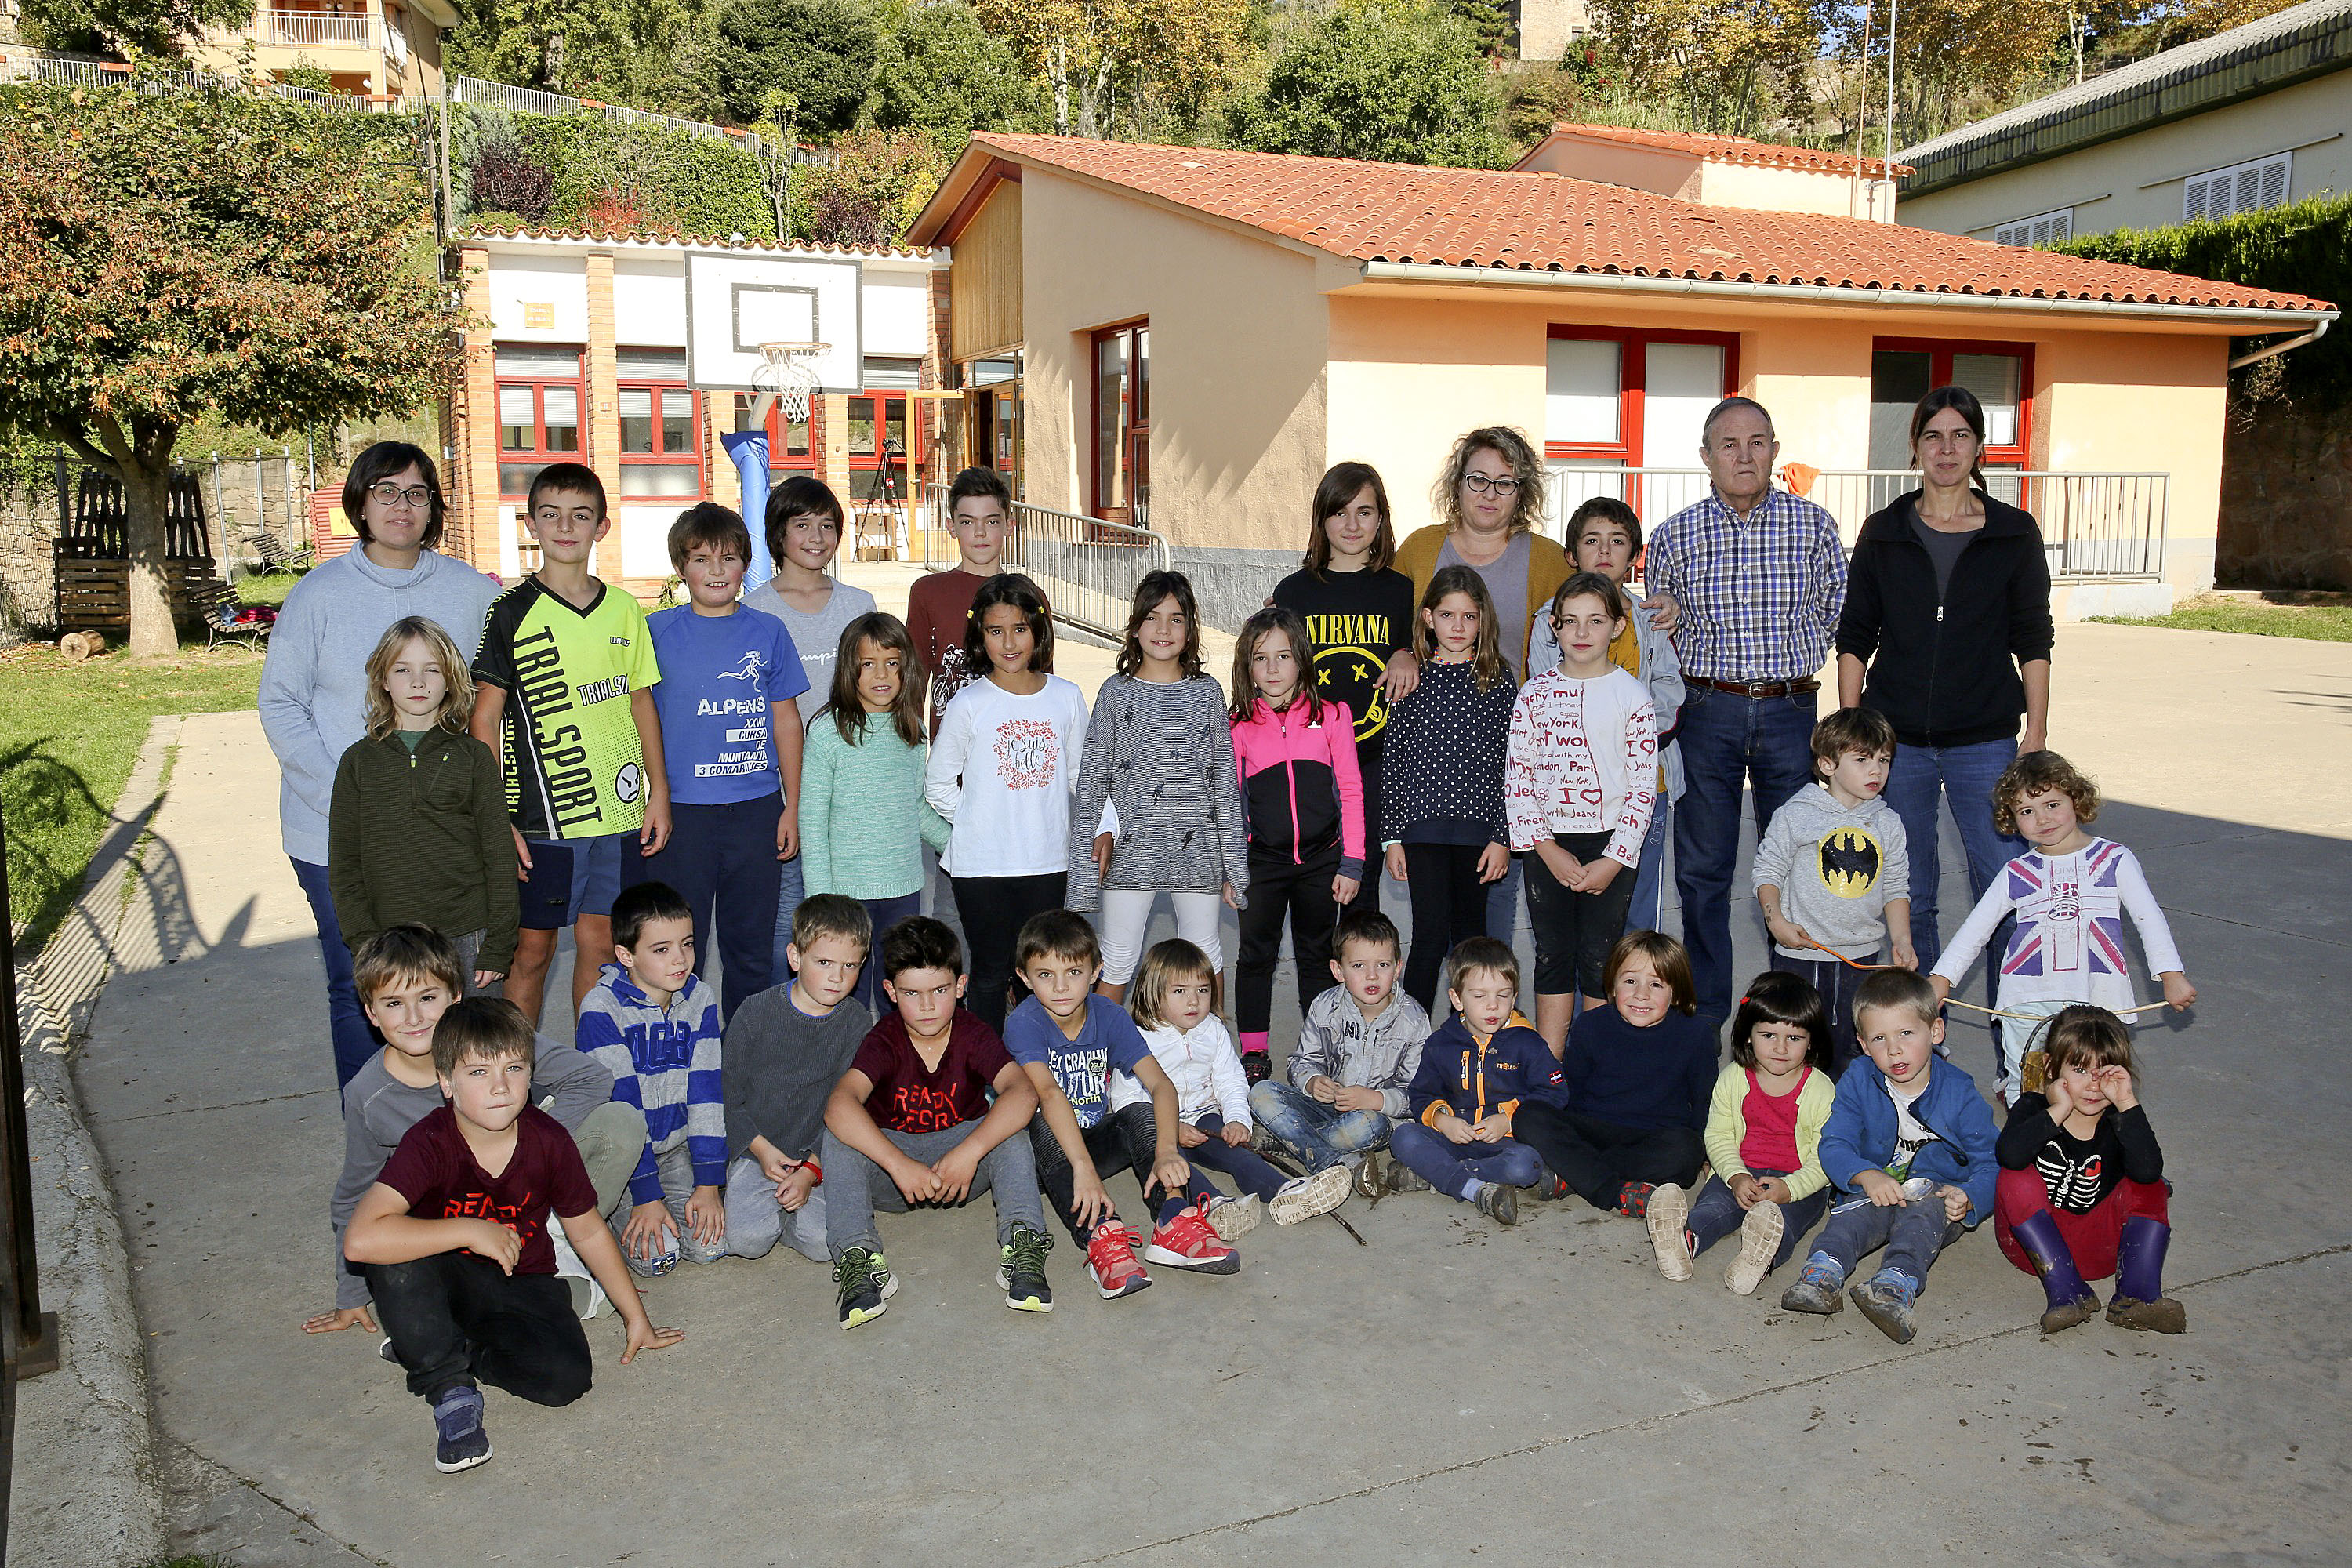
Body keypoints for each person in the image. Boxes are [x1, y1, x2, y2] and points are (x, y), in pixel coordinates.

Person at [342, 996, 683, 1472]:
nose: (500, 1087)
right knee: (394, 1253)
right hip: (441, 1275)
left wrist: (636, 1318)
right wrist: (468, 1229)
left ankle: (443, 1344)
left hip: (522, 1277)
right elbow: (359, 1240)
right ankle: (449, 1389)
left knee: (566, 1382)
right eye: (478, 1072)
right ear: (446, 1082)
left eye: (514, 1068)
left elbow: (586, 1232)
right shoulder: (429, 1141)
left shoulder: (549, 1140)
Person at [260, 441, 501, 1090]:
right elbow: (280, 702)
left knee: (447, 990)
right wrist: (346, 800)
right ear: (360, 504)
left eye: (417, 493)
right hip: (333, 835)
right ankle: (373, 1139)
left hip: (443, 836)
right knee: (362, 986)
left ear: (434, 508)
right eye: (386, 492)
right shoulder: (318, 594)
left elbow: (495, 703)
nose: (402, 506)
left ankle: (452, 1134)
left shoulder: (472, 593)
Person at [1838, 386, 2053, 1050]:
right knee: (1911, 894)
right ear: (1915, 447)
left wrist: (2036, 736)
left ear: (1979, 446)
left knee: (2008, 893)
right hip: (1894, 745)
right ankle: (1919, 1039)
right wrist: (1852, 730)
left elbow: (2034, 638)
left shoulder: (2013, 532)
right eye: (1934, 436)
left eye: (1960, 436)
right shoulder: (1886, 530)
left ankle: (2018, 1052)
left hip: (1986, 743)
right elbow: (1855, 633)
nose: (1946, 449)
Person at [307, 927, 641, 1340]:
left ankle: (556, 1230)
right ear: (372, 1013)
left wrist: (536, 1147)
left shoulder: (491, 1039)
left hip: (521, 1188)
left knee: (620, 1124)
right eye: (394, 1003)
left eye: (428, 998)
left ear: (456, 997)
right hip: (448, 1216)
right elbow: (354, 1193)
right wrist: (351, 1293)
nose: (414, 1018)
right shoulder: (367, 1095)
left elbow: (590, 1078)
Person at [1646, 397, 1848, 1029]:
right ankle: (1707, 1020)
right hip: (1708, 710)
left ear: (1775, 450)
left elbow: (1839, 617)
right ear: (1706, 457)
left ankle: (1789, 1016)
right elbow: (1659, 632)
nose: (1744, 455)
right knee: (1703, 870)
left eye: (1757, 441)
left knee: (1793, 865)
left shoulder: (1814, 527)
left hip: (1791, 710)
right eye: (1728, 444)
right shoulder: (1675, 535)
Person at [468, 463, 670, 1028]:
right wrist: (493, 816)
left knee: (602, 947)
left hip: (619, 814)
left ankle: (593, 1070)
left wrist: (660, 793)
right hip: (543, 823)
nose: (565, 527)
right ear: (530, 524)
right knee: (530, 953)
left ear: (601, 528)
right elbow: (484, 719)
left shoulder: (625, 609)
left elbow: (641, 703)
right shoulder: (509, 613)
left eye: (580, 516)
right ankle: (516, 1077)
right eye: (551, 515)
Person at [818, 916, 1051, 1327]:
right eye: (912, 993)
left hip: (963, 1165)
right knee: (839, 1139)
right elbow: (840, 1103)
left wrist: (971, 1151)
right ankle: (858, 1260)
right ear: (890, 992)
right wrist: (897, 1163)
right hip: (896, 1170)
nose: (927, 1006)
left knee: (1012, 1131)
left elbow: (1024, 1092)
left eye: (940, 991)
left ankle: (1023, 1244)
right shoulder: (885, 1037)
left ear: (960, 987)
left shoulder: (973, 1033)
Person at [1930, 751, 2194, 1102]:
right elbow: (1974, 931)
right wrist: (1941, 979)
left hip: (2098, 994)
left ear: (2077, 799)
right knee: (2030, 1080)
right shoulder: (2016, 872)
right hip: (2027, 998)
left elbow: (2149, 919)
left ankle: (2093, 1152)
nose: (2042, 819)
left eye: (2052, 804)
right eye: (2026, 811)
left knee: (2098, 1082)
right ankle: (2025, 1151)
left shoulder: (2114, 859)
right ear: (2012, 819)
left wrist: (2171, 975)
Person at [1392, 428, 1567, 947]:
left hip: (1509, 755)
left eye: (1505, 483)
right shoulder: (1422, 549)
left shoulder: (1549, 558)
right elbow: (1383, 616)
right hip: (1436, 763)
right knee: (1434, 925)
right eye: (1479, 479)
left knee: (1494, 901)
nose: (1490, 494)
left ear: (1523, 492)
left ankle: (1486, 1009)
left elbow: (1598, 611)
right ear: (1458, 483)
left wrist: (1658, 607)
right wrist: (1400, 651)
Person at [1006, 911, 1242, 1292]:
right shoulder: (1024, 1022)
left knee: (1140, 1111)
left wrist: (1167, 1150)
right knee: (1040, 1118)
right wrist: (1083, 1169)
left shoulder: (1110, 1015)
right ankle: (1103, 1238)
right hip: (1044, 1157)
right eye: (1046, 975)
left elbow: (1161, 1085)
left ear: (1097, 971)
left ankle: (1172, 1218)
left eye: (1074, 972)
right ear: (1024, 977)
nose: (1061, 987)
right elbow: (1049, 1095)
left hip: (1093, 1142)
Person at [643, 503, 804, 1020]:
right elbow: (638, 716)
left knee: (750, 954)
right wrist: (657, 793)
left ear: (745, 565)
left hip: (756, 812)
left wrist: (791, 805)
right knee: (676, 956)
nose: (716, 570)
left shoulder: (769, 632)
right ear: (680, 568)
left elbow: (785, 721)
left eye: (729, 558)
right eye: (701, 559)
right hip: (685, 817)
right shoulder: (656, 632)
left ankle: (744, 1063)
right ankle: (683, 1059)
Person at [1780, 968, 1998, 1345]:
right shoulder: (1858, 1079)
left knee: (1923, 1220)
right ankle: (1822, 1274)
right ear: (1864, 1045)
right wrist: (1864, 1174)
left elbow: (1992, 1161)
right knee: (1851, 1220)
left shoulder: (1959, 1092)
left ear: (1935, 1032)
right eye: (1879, 1038)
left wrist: (1970, 1197)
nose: (1894, 1049)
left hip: (1935, 1195)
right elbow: (1834, 1142)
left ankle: (1895, 1285)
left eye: (1906, 1034)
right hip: (1876, 1185)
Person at [1065, 572, 1247, 1004]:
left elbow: (1224, 781)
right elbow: (1092, 778)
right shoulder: (1115, 692)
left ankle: (1213, 1047)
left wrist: (1234, 866)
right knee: (1118, 956)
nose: (1164, 630)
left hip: (1199, 848)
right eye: (1152, 617)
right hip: (1132, 849)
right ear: (1134, 625)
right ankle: (1096, 1056)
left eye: (1176, 619)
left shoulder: (1207, 693)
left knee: (1204, 955)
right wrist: (1084, 866)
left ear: (1191, 630)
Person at [924, 574, 1091, 1031]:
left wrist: (1103, 829)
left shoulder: (1066, 696)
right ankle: (989, 1078)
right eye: (995, 631)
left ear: (1038, 630)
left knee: (1046, 975)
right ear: (981, 637)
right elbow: (938, 784)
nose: (1009, 642)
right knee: (991, 975)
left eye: (1019, 628)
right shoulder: (969, 702)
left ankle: (1046, 1068)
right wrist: (982, 820)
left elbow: (1085, 778)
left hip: (1048, 864)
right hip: (981, 869)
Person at [1505, 572, 1658, 1050]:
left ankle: (1593, 1061)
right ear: (1554, 627)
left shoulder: (1633, 696)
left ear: (1617, 626)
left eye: (1595, 621)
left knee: (1600, 957)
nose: (1582, 632)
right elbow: (1518, 777)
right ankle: (1549, 1069)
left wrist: (1614, 860)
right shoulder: (1534, 694)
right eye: (1570, 621)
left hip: (1609, 845)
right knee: (1552, 953)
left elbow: (1641, 790)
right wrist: (1546, 849)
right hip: (1548, 845)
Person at [328, 616, 517, 993]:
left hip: (470, 936)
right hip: (390, 941)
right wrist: (364, 942)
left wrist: (498, 945)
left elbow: (499, 855)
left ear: (449, 680)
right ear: (383, 679)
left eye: (431, 670)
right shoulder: (358, 762)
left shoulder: (475, 758)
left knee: (475, 1049)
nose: (418, 682)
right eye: (403, 669)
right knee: (413, 1043)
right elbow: (345, 864)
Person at [1529, 498, 1686, 934]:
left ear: (1634, 556)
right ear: (1571, 554)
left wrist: (1627, 735)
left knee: (1635, 912)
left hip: (1642, 787)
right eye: (1591, 540)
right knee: (1574, 919)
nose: (1604, 551)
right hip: (1568, 794)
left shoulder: (1650, 621)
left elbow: (1670, 696)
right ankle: (1587, 1006)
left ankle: (1634, 1002)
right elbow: (1546, 704)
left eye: (1617, 542)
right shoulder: (1548, 623)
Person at [742, 476, 879, 977]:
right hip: (786, 787)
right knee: (793, 909)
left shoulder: (858, 604)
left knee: (855, 907)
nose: (816, 537)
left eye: (827, 525)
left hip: (855, 783)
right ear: (778, 534)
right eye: (802, 525)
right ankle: (787, 1014)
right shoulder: (754, 609)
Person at [1271, 461, 1417, 916]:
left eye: (1365, 512)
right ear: (1321, 519)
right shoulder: (1294, 592)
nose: (1352, 525)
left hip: (1376, 755)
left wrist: (1407, 651)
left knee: (1364, 879)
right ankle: (1321, 985)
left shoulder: (1400, 591)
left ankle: (1362, 981)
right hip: (1311, 756)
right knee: (1316, 882)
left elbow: (1422, 655)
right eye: (1340, 512)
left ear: (1382, 519)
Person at [1128, 938, 1353, 1228]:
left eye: (1203, 990)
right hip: (1158, 1127)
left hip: (1205, 1116)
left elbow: (1230, 1079)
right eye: (1180, 991)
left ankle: (1286, 1191)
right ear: (1152, 992)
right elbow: (1129, 1098)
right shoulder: (1137, 1038)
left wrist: (1237, 1119)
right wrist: (1169, 1129)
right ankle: (1215, 1205)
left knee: (1238, 1155)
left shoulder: (1213, 1030)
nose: (1194, 1001)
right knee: (1177, 1169)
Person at [1228, 604, 1365, 1076]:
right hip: (1261, 863)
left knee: (1316, 956)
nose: (1272, 669)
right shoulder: (1238, 726)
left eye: (1283, 657)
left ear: (1302, 659)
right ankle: (1253, 1051)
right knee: (1255, 957)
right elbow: (1229, 804)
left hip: (1322, 861)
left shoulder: (1332, 716)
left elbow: (1350, 789)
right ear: (1247, 666)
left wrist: (1352, 862)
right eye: (1260, 659)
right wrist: (1232, 868)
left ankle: (1317, 1048)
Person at [1993, 1005, 2184, 1334]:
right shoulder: (2034, 1108)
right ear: (2053, 1066)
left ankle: (2135, 1296)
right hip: (2034, 1253)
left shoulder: (2119, 1121)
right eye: (2080, 1070)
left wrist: (2126, 1104)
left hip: (2099, 1252)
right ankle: (2067, 1292)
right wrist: (2059, 1109)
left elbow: (2148, 1170)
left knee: (2151, 1184)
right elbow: (2009, 1155)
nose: (2094, 1085)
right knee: (2015, 1176)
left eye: (2106, 1072)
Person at [1644, 971, 1835, 1295]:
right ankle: (1683, 1243)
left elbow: (1826, 1155)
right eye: (1768, 1035)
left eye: (1794, 1038)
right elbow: (1718, 1136)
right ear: (1748, 1035)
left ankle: (1758, 1261)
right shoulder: (1734, 1078)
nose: (1780, 1048)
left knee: (1782, 1222)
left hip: (1800, 1182)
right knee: (1713, 1208)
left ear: (1811, 1041)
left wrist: (1789, 1188)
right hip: (1740, 1171)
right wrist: (1734, 1176)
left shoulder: (1820, 1089)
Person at [1381, 567, 1516, 1013]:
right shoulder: (1410, 678)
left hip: (1479, 834)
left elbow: (1509, 763)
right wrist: (1392, 837)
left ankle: (1472, 1036)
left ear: (1483, 621)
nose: (1458, 626)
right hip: (1422, 833)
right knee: (1429, 937)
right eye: (1447, 614)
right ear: (1427, 617)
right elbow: (1395, 762)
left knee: (1472, 939)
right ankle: (1411, 1037)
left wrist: (1502, 835)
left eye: (1469, 616)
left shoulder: (1498, 680)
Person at [800, 612, 952, 1013]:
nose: (880, 674)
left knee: (895, 993)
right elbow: (812, 822)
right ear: (850, 670)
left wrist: (960, 845)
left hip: (903, 888)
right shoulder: (827, 731)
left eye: (892, 663)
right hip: (845, 895)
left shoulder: (913, 730)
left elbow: (915, 808)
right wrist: (822, 901)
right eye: (868, 664)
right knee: (841, 993)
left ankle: (892, 1068)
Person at [1751, 706, 1916, 1074]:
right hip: (1803, 955)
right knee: (1798, 1047)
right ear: (1827, 764)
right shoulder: (1797, 814)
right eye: (1861, 760)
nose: (1876, 770)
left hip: (1862, 958)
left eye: (1884, 760)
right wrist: (1775, 921)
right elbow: (1767, 870)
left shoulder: (1887, 823)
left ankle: (1844, 1121)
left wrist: (1901, 939)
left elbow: (1895, 885)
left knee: (1853, 1050)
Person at [576, 883, 728, 1278]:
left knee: (711, 1247)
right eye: (661, 950)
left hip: (677, 1150)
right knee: (658, 1260)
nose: (680, 960)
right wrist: (645, 1195)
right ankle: (601, 1214)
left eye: (688, 944)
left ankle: (662, 1200)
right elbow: (622, 1103)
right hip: (624, 1158)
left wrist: (709, 1183)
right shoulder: (601, 1008)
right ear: (626, 955)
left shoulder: (701, 999)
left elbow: (707, 1091)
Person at [1512, 931, 1714, 1220]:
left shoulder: (1695, 1035)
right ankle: (1612, 1190)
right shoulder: (1591, 1025)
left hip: (1654, 1137)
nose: (1640, 994)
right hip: (1593, 1129)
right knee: (1527, 1115)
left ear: (1677, 992)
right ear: (1613, 984)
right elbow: (1572, 1091)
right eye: (1630, 981)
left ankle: (1575, 1174)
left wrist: (1706, 1151)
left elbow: (1704, 1099)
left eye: (1656, 984)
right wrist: (1564, 1130)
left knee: (1686, 1153)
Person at [720, 895, 876, 1269]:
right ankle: (776, 1218)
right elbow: (726, 1096)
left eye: (849, 965)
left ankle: (792, 1221)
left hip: (818, 1154)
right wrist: (760, 1149)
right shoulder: (755, 1013)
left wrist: (812, 1169)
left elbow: (852, 1107)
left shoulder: (856, 1021)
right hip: (756, 1150)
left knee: (827, 1244)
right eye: (823, 962)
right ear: (795, 957)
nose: (837, 978)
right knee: (747, 1241)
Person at [1386, 937, 1563, 1226]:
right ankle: (1470, 1185)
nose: (1493, 1007)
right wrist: (1443, 1121)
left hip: (1506, 1143)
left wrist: (1509, 1119)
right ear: (1457, 999)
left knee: (1527, 1164)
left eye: (1503, 996)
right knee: (1403, 1137)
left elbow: (1555, 1092)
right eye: (1480, 996)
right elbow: (1421, 1094)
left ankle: (1442, 1175)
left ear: (1515, 997)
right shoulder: (1440, 1044)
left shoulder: (1528, 1043)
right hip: (1454, 1136)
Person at [1250, 909, 1429, 1194]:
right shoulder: (1325, 1006)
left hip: (1373, 1116)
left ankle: (1288, 1140)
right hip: (1323, 1107)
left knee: (1366, 1126)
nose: (1372, 975)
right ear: (1338, 970)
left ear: (1397, 968)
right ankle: (1333, 1162)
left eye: (1382, 964)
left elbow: (1419, 1094)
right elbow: (1301, 1062)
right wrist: (1312, 1081)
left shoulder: (1413, 1021)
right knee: (1261, 1092)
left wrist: (1376, 1099)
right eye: (1358, 966)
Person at [906, 466, 1011, 731]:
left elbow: (1044, 683)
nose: (980, 532)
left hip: (1012, 752)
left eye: (991, 521)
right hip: (950, 760)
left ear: (1009, 526)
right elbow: (915, 680)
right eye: (967, 521)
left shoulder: (1028, 595)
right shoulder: (927, 592)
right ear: (951, 527)